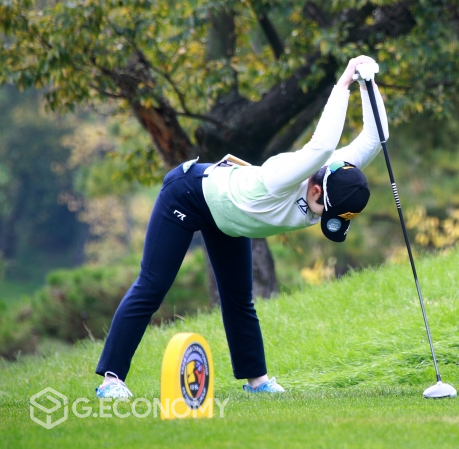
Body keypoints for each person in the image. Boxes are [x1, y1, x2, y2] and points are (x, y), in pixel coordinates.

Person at [95, 55, 389, 398]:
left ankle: (257, 382)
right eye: (325, 209)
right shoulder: (286, 176)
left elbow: (376, 138)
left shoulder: (343, 175)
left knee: (238, 299)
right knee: (153, 285)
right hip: (188, 195)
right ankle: (111, 380)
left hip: (229, 220)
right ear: (314, 189)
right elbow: (322, 145)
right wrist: (345, 81)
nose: (321, 217)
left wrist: (369, 84)